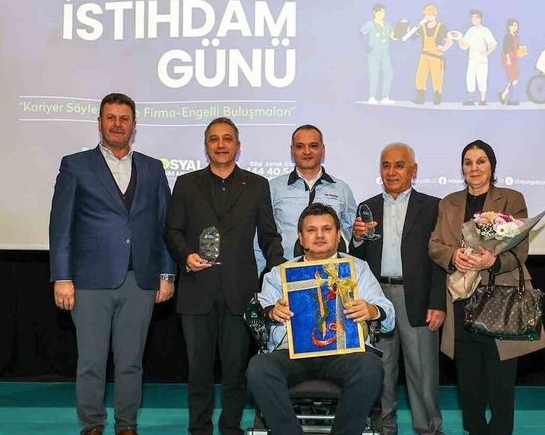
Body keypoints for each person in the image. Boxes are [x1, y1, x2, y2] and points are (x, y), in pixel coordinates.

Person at [49, 92, 175, 435]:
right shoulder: (75, 165)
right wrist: (62, 277)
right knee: (91, 362)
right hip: (90, 282)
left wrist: (167, 273)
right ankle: (92, 424)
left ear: (133, 125)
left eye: (124, 118)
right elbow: (61, 225)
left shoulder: (152, 168)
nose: (117, 124)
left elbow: (164, 224)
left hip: (141, 280)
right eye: (111, 118)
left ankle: (127, 424)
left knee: (131, 363)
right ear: (100, 122)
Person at [166, 117, 285, 435]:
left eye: (227, 138)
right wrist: (186, 256)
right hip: (196, 289)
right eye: (214, 139)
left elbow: (269, 236)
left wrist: (282, 273)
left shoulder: (257, 185)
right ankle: (199, 429)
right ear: (206, 146)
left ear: (238, 145)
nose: (221, 144)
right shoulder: (186, 184)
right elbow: (172, 230)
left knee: (235, 371)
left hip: (240, 292)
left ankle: (231, 427)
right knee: (199, 371)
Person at [428, 140, 545, 435]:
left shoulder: (511, 199)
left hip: (500, 299)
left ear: (492, 166)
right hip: (462, 300)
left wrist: (492, 261)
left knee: (500, 382)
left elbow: (520, 252)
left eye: (481, 161)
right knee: (469, 383)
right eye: (468, 162)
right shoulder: (448, 202)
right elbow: (435, 245)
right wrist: (453, 256)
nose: (474, 168)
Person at [247, 203, 395, 435]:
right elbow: (259, 309)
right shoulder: (279, 273)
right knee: (259, 367)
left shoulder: (358, 268)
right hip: (291, 353)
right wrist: (272, 312)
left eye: (326, 229)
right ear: (301, 238)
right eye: (311, 230)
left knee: (371, 366)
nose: (319, 235)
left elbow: (388, 315)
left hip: (344, 354)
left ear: (338, 235)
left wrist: (372, 310)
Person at [350, 143, 446, 435]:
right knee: (380, 370)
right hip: (376, 298)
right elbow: (357, 261)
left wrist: (438, 303)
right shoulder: (367, 207)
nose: (391, 172)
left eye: (399, 165)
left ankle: (429, 429)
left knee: (423, 372)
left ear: (413, 171)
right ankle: (383, 428)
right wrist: (357, 239)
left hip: (417, 298)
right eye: (386, 165)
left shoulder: (433, 206)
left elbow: (440, 260)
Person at [255, 124, 357, 271]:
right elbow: (260, 236)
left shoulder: (341, 189)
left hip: (332, 274)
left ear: (323, 149)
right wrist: (262, 274)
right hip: (286, 272)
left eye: (313, 146)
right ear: (292, 150)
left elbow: (353, 235)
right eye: (300, 146)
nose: (307, 151)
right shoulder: (273, 188)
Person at [405, 4, 453, 105]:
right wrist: (416, 26)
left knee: (437, 78)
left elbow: (449, 41)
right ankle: (421, 99)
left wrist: (444, 48)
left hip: (436, 56)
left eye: (431, 14)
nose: (429, 16)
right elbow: (411, 37)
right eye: (427, 14)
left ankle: (437, 100)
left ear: (435, 15)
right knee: (420, 76)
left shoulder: (441, 27)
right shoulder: (422, 27)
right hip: (425, 55)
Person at [458, 9, 497, 106]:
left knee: (482, 79)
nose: (474, 19)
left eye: (476, 17)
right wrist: (459, 39)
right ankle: (470, 100)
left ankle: (482, 100)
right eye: (472, 17)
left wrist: (486, 53)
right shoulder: (470, 31)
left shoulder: (485, 30)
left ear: (480, 18)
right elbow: (464, 46)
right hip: (472, 59)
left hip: (482, 60)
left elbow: (493, 44)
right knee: (470, 78)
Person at [360, 3, 396, 104]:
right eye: (380, 12)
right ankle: (372, 97)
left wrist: (403, 30)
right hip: (374, 54)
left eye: (384, 12)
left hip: (385, 54)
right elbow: (360, 35)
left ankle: (385, 97)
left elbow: (393, 37)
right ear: (374, 12)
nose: (382, 14)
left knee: (388, 73)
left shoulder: (387, 24)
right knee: (374, 74)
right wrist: (366, 46)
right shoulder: (370, 24)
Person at [498, 19, 521, 106]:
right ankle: (510, 99)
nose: (515, 27)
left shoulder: (516, 36)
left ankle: (503, 95)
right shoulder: (507, 36)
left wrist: (522, 51)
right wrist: (508, 59)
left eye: (516, 25)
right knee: (512, 78)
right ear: (509, 26)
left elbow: (517, 48)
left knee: (515, 79)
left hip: (515, 58)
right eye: (513, 25)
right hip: (508, 57)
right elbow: (505, 48)